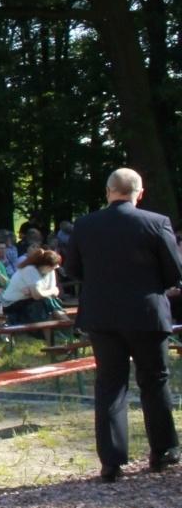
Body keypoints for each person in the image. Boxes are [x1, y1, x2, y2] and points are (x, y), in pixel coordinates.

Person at [62, 168, 182, 481]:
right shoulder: (157, 223)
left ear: (108, 191)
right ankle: (163, 451)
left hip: (102, 315)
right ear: (139, 193)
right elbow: (174, 273)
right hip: (146, 313)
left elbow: (72, 269)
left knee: (110, 384)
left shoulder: (85, 224)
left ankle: (112, 463)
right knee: (154, 380)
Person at [1, 248, 67, 325]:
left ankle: (67, 324)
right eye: (55, 266)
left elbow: (48, 294)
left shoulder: (51, 271)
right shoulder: (30, 269)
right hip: (12, 304)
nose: (56, 268)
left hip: (30, 301)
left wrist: (40, 292)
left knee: (47, 302)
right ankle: (68, 323)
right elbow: (38, 295)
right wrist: (52, 290)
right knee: (46, 301)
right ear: (47, 266)